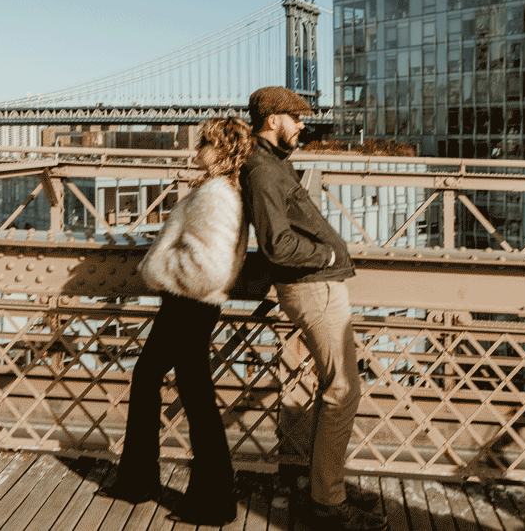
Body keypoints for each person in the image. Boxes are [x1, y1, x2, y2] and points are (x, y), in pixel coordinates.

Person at [238, 86, 387, 531]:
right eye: (296, 117)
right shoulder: (262, 170)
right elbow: (277, 244)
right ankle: (327, 501)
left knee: (336, 387)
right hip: (311, 287)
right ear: (272, 119)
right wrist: (326, 255)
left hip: (318, 285)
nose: (303, 124)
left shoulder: (273, 162)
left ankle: (328, 485)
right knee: (344, 390)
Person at [99, 116, 253, 526]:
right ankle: (142, 480)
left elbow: (212, 268)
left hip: (190, 302)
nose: (196, 148)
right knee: (153, 378)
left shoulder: (217, 194)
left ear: (222, 150)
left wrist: (160, 267)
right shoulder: (219, 189)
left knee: (192, 394)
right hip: (188, 303)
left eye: (204, 142)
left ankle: (210, 499)